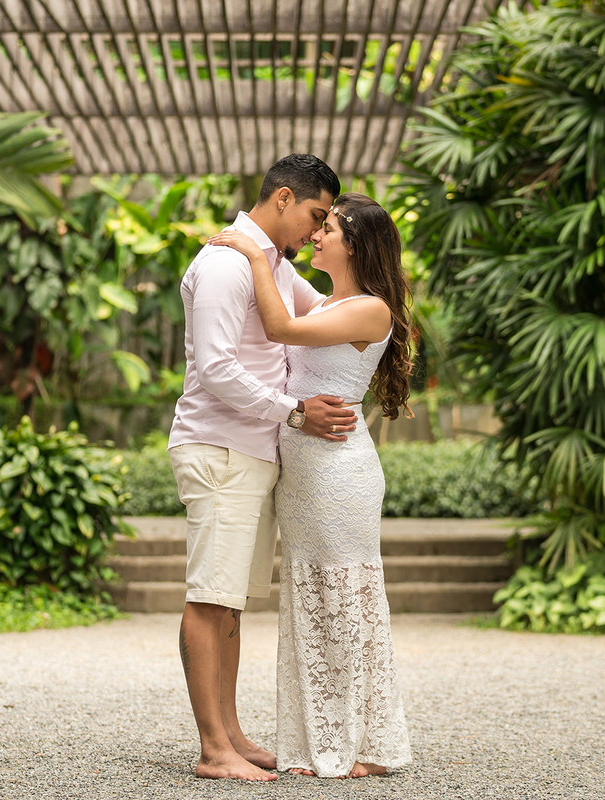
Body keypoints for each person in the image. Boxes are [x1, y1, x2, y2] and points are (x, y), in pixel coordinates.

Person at [206, 192, 415, 779]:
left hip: (337, 473)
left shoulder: (371, 310)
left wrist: (253, 254)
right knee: (313, 601)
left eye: (330, 228)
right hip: (303, 473)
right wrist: (264, 246)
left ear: (357, 244)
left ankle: (360, 745)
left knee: (343, 600)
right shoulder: (329, 300)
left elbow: (280, 325)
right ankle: (320, 740)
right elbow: (284, 277)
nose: (316, 234)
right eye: (317, 224)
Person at [167, 154, 357, 782]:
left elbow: (322, 313)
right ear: (283, 199)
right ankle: (212, 750)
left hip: (252, 451)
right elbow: (217, 369)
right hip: (220, 447)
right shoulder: (227, 262)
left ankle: (232, 734)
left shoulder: (270, 262)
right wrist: (295, 411)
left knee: (232, 603)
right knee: (209, 597)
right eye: (316, 215)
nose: (317, 229)